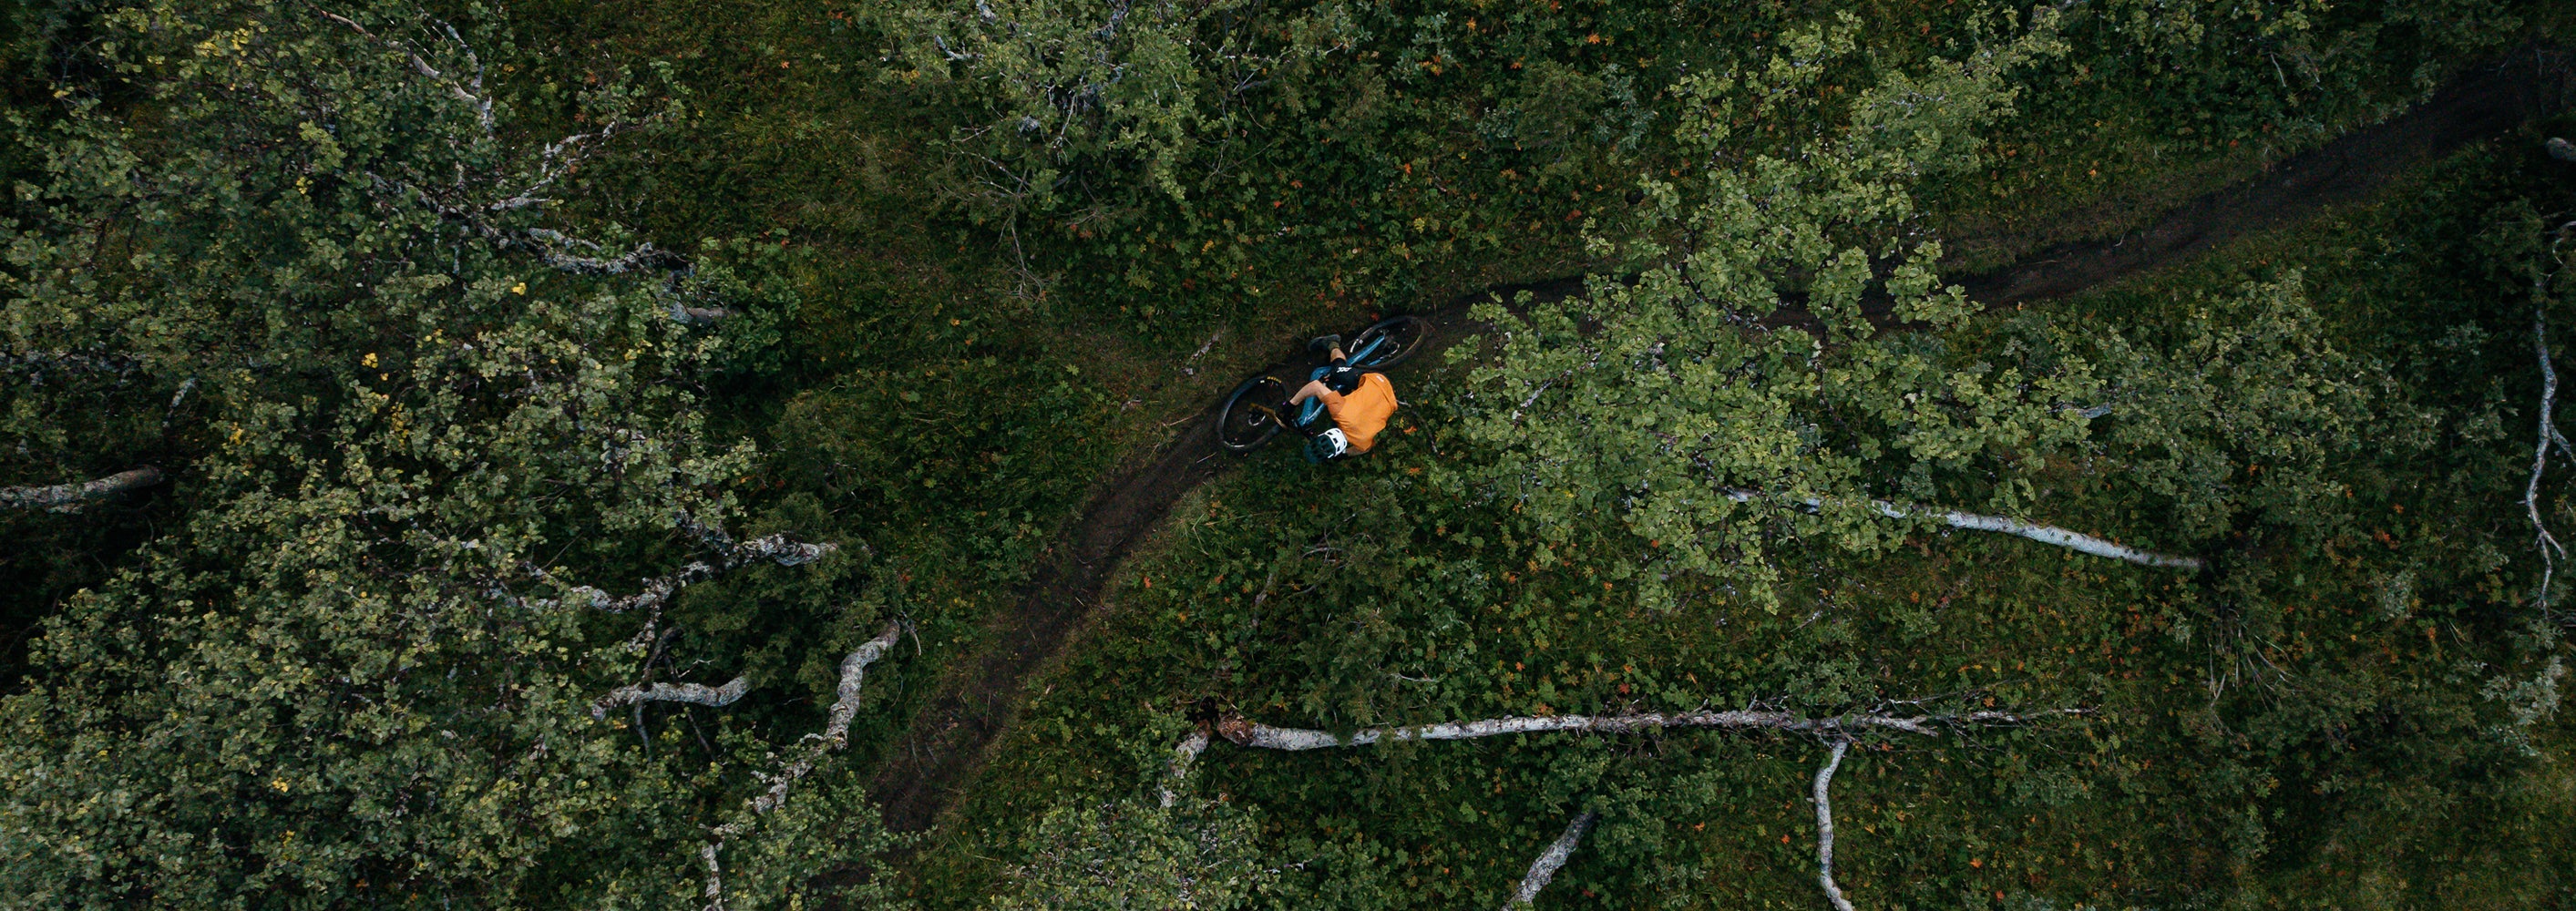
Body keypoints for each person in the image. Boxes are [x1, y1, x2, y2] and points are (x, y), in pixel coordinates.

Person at [1281, 333, 1398, 462]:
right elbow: (1315, 386)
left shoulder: (1362, 441)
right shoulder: (1341, 412)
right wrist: (1291, 404)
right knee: (1337, 371)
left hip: (1390, 399)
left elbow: (1365, 449)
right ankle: (1333, 343)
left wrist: (1345, 454)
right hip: (1375, 381)